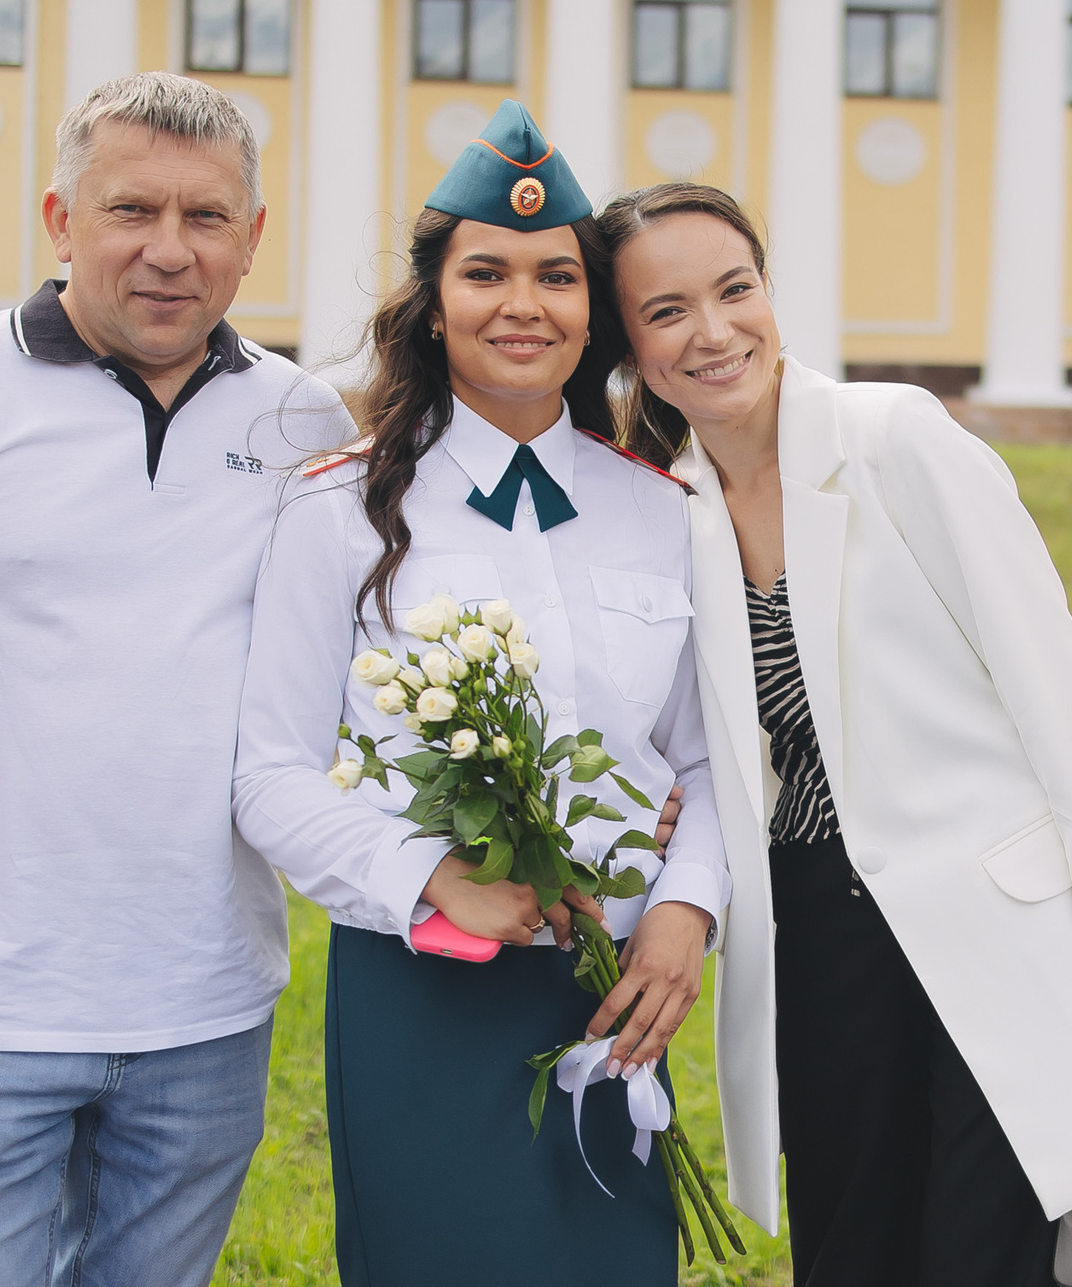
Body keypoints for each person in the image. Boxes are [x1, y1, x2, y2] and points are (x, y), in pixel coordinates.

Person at [0, 73, 354, 1284]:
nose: (167, 251)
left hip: (208, 1016)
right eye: (128, 210)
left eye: (206, 218)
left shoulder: (304, 421)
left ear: (253, 239)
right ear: (59, 218)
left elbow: (374, 675)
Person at [592, 182, 1072, 1287]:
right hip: (810, 930)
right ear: (629, 344)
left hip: (989, 921)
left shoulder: (893, 437)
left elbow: (1053, 700)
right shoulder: (662, 506)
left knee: (986, 1250)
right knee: (851, 1245)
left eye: (735, 290)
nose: (713, 332)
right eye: (666, 312)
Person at [231, 103, 728, 1287]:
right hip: (424, 984)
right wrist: (439, 879)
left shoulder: (663, 510)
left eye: (557, 277)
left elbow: (707, 760)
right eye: (486, 273)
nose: (524, 304)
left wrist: (683, 913)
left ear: (592, 310)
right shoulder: (339, 506)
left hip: (612, 987)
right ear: (434, 299)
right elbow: (269, 773)